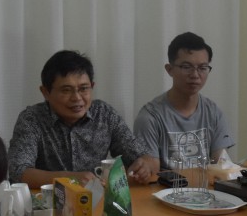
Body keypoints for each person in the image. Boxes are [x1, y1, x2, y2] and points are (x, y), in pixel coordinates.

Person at [9, 49, 154, 186]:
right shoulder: (32, 119)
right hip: (48, 200)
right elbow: (18, 172)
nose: (77, 98)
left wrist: (144, 166)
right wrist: (69, 179)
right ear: (45, 92)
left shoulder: (104, 114)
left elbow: (144, 156)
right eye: (66, 90)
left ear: (92, 86)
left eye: (84, 88)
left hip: (96, 199)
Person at [133, 32, 235, 170]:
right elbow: (151, 170)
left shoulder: (213, 113)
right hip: (167, 184)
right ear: (169, 69)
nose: (195, 75)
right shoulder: (150, 117)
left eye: (202, 68)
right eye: (186, 67)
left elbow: (221, 165)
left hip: (207, 184)